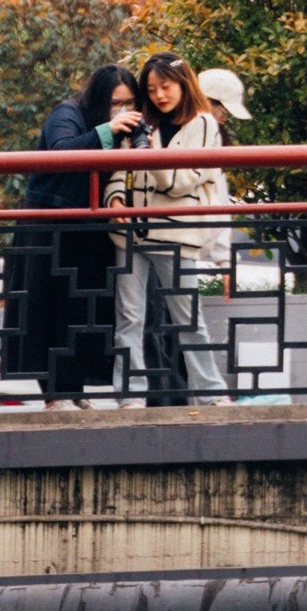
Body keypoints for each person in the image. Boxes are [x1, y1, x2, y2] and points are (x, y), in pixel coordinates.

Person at [0, 65, 143, 404]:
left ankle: (72, 389)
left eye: (129, 103)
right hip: (49, 226)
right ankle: (53, 393)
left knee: (82, 311)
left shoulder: (131, 126)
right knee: (44, 310)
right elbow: (63, 152)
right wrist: (108, 131)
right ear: (98, 100)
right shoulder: (68, 112)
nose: (122, 111)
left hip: (89, 229)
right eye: (114, 103)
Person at [109, 55, 229, 402]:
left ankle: (211, 393)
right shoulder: (142, 121)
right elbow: (118, 168)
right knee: (129, 319)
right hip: (131, 232)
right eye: (152, 89)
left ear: (183, 83)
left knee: (189, 319)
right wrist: (115, 199)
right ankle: (129, 396)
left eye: (166, 86)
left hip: (176, 235)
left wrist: (150, 152)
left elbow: (181, 182)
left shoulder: (204, 124)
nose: (160, 95)